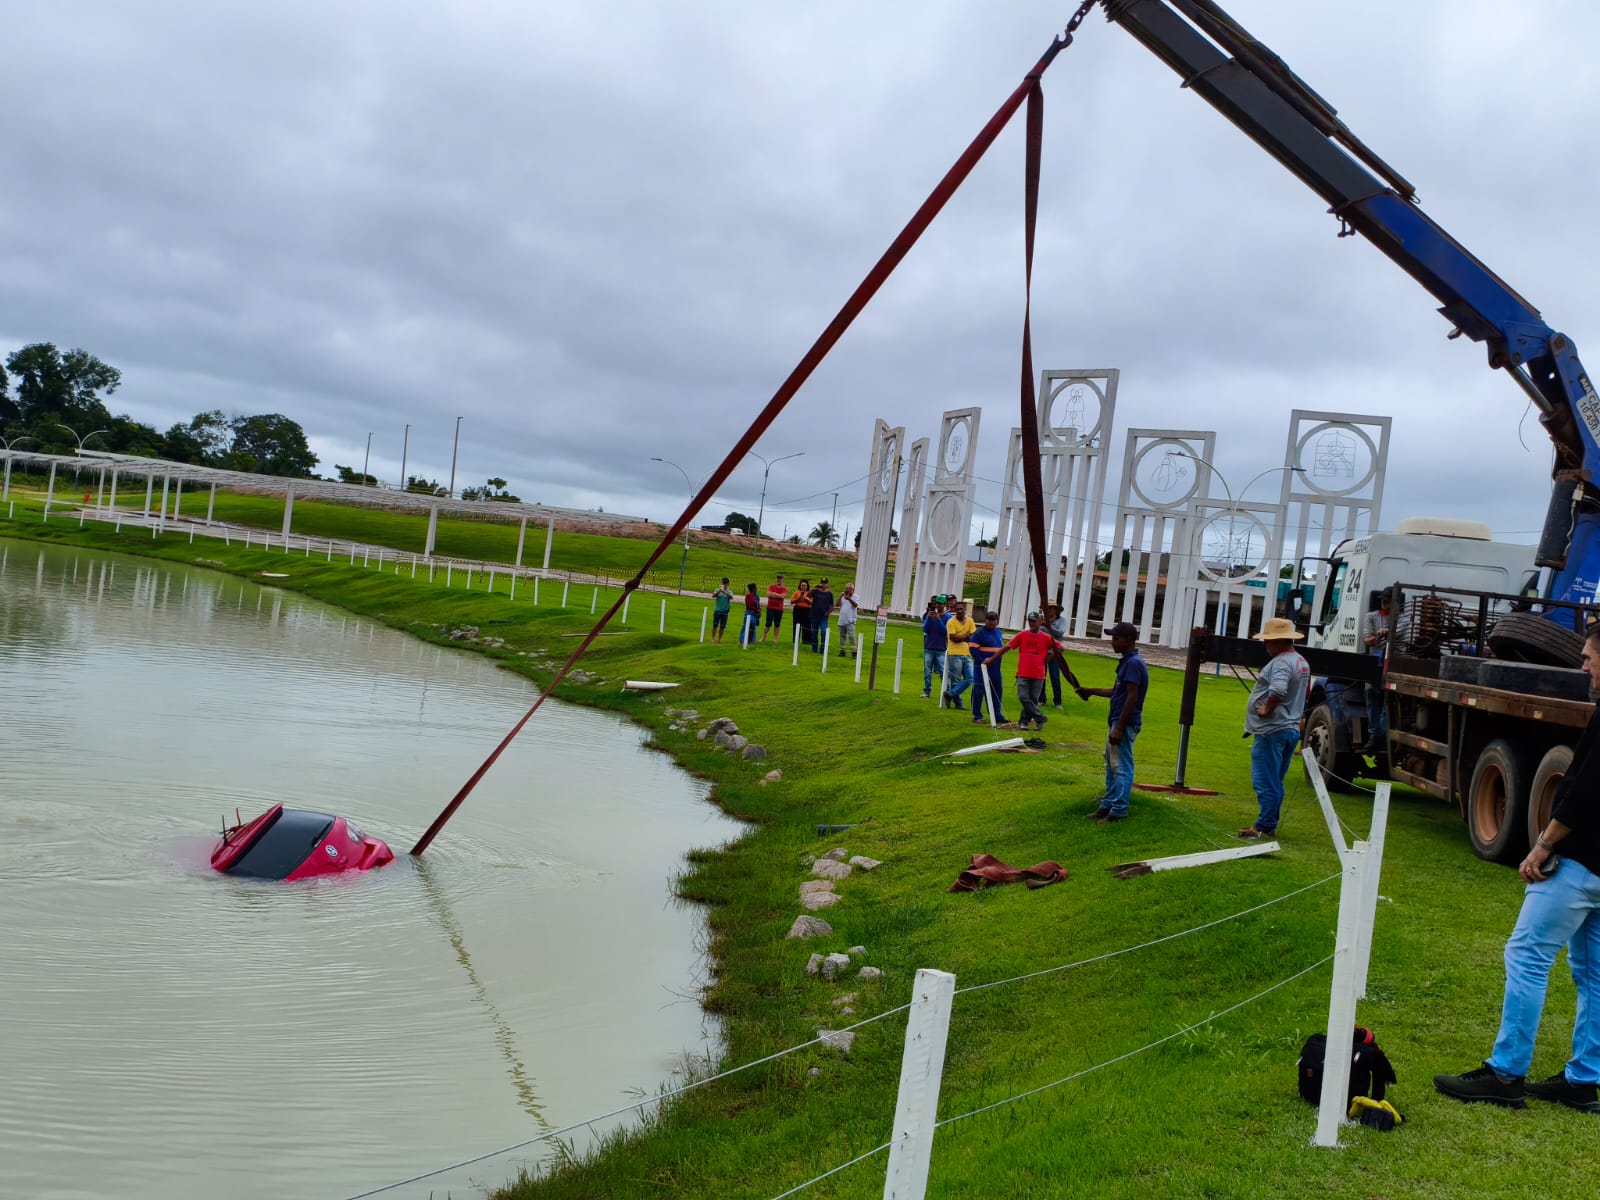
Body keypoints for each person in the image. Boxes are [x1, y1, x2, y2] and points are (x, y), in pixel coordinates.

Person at [1433, 624, 1600, 1113]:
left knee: (1527, 956)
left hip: (1580, 862)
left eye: (1590, 657)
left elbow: (1584, 792)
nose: (1583, 665)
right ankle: (1583, 1081)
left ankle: (1505, 1075)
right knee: (1594, 975)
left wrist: (1543, 844)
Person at [1237, 616, 1311, 839]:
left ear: (1279, 641)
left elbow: (1278, 690)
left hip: (1272, 730)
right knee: (1275, 779)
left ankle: (1265, 825)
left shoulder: (1281, 662)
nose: (1265, 645)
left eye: (1268, 641)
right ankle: (1269, 823)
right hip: (1289, 728)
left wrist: (1266, 709)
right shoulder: (1300, 661)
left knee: (1265, 780)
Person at [1076, 622, 1149, 823]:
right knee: (1111, 764)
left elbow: (1132, 697)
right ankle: (1107, 805)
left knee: (1121, 766)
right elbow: (1117, 692)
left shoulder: (1133, 664)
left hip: (1124, 722)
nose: (1112, 642)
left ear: (1129, 641)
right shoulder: (1127, 662)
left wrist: (1119, 728)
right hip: (1117, 720)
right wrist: (1090, 691)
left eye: (1116, 639)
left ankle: (1118, 811)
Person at [990, 610, 1059, 731]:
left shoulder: (1046, 637)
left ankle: (1024, 722)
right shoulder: (1022, 635)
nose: (1031, 623)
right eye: (1029, 621)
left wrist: (1048, 659)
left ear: (1040, 621)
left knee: (1033, 700)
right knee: (1023, 697)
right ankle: (1040, 717)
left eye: (1033, 621)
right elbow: (1007, 647)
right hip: (1023, 672)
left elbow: (1060, 648)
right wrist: (991, 659)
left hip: (1038, 673)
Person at [1361, 591, 1392, 753]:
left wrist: (1388, 633)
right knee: (1372, 695)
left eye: (1387, 601)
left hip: (1392, 664)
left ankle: (1383, 733)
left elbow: (1403, 637)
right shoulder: (1372, 616)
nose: (1383, 603)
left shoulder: (1403, 619)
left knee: (1388, 699)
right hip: (1377, 663)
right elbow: (1368, 638)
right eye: (1383, 600)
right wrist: (1379, 636)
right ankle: (1375, 734)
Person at [970, 608, 1008, 725]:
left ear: (997, 621)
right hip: (981, 667)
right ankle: (977, 716)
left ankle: (996, 715)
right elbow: (972, 648)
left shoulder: (998, 632)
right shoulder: (979, 632)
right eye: (989, 619)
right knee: (979, 690)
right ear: (985, 620)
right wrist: (981, 661)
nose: (991, 622)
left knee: (997, 690)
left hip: (995, 667)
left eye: (993, 619)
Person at [942, 598, 976, 709]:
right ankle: (958, 704)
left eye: (961, 609)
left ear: (965, 609)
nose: (960, 611)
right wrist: (966, 636)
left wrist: (962, 636)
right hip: (955, 653)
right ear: (955, 610)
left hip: (967, 653)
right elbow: (953, 638)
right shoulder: (951, 622)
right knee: (956, 680)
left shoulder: (970, 621)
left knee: (970, 678)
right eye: (957, 609)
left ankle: (950, 694)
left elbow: (973, 636)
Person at [921, 598, 948, 699]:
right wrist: (928, 617)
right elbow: (925, 629)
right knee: (927, 671)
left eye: (941, 604)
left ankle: (945, 692)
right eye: (937, 604)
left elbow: (945, 631)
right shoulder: (930, 616)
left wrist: (938, 619)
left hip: (941, 649)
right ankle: (927, 691)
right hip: (929, 647)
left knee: (942, 672)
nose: (939, 606)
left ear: (944, 605)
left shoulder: (947, 617)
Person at [1046, 602, 1069, 707]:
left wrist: (1048, 626)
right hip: (1043, 651)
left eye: (1051, 608)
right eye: (1047, 608)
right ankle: (1041, 699)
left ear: (1056, 610)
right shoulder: (1042, 620)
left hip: (1055, 652)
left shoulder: (1061, 620)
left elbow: (1060, 633)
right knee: (1041, 676)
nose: (1049, 610)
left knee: (1055, 677)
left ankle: (1058, 702)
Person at [810, 578, 835, 653]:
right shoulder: (815, 591)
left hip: (824, 616)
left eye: (825, 583)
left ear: (827, 584)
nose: (823, 584)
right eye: (822, 583)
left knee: (824, 632)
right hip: (814, 615)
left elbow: (833, 605)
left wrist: (828, 613)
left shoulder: (829, 594)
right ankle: (814, 649)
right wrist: (813, 589)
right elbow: (808, 595)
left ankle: (822, 649)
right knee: (814, 632)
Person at [762, 574, 788, 642]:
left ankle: (775, 639)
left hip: (779, 609)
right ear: (776, 579)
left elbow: (782, 596)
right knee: (768, 623)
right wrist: (778, 595)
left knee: (777, 624)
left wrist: (774, 593)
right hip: (770, 608)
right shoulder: (771, 586)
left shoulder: (784, 588)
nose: (779, 580)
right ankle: (763, 637)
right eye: (778, 578)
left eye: (780, 578)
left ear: (782, 580)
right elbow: (768, 594)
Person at [836, 584, 859, 655]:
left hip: (850, 620)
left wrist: (849, 599)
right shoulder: (843, 596)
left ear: (853, 590)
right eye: (847, 588)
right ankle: (842, 651)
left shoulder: (856, 597)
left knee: (851, 637)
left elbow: (855, 605)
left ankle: (854, 652)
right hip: (842, 620)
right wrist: (840, 597)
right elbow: (837, 605)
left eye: (850, 588)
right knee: (842, 637)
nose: (848, 590)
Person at [710, 578, 733, 644]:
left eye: (726, 583)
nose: (725, 585)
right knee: (715, 625)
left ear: (728, 584)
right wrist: (719, 591)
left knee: (722, 626)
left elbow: (731, 597)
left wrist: (724, 592)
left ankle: (719, 639)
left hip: (725, 611)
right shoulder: (717, 590)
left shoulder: (729, 591)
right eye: (723, 583)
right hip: (717, 610)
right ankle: (713, 638)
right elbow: (713, 596)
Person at [792, 580, 814, 649]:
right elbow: (792, 601)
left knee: (807, 625)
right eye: (802, 585)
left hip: (807, 610)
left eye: (804, 585)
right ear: (800, 586)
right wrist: (798, 598)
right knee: (796, 625)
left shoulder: (809, 593)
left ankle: (806, 641)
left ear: (807, 586)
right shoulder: (796, 592)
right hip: (797, 609)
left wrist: (806, 598)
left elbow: (812, 602)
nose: (803, 587)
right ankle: (796, 640)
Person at [740, 583, 761, 648]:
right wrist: (757, 611)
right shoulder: (748, 596)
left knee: (753, 627)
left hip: (755, 613)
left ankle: (751, 640)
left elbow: (758, 604)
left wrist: (759, 611)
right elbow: (749, 606)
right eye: (756, 588)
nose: (757, 589)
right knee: (746, 626)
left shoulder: (757, 596)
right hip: (749, 613)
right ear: (753, 589)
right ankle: (742, 640)